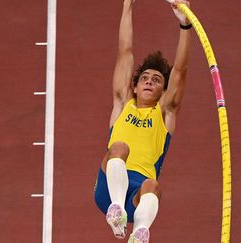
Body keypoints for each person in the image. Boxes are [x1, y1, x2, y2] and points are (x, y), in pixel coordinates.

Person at [94, 0, 192, 242]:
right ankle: (115, 213)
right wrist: (127, 5)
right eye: (145, 78)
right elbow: (124, 51)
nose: (149, 81)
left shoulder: (165, 114)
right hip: (109, 188)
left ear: (163, 91)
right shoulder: (122, 104)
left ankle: (139, 233)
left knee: (153, 186)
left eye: (157, 80)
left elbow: (180, 70)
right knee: (119, 147)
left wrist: (185, 25)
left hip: (138, 195)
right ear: (135, 87)